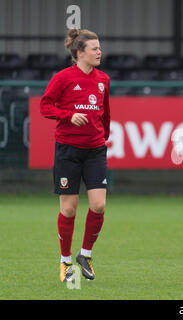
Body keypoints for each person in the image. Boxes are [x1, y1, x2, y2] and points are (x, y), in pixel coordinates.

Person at [40, 28, 111, 283]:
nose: (99, 51)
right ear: (80, 53)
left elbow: (105, 112)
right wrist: (68, 115)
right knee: (69, 210)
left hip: (95, 150)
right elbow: (45, 106)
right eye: (94, 48)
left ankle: (85, 254)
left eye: (99, 47)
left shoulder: (103, 79)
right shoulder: (63, 78)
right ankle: (65, 261)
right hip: (68, 151)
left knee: (99, 205)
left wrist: (106, 134)